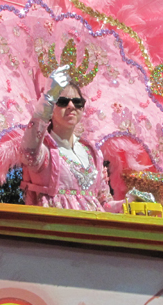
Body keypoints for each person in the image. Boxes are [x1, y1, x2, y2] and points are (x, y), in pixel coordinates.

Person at [20, 65, 124, 211]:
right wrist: (47, 99)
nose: (71, 106)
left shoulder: (93, 154)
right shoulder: (44, 150)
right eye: (62, 102)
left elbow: (103, 203)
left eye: (77, 102)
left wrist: (126, 205)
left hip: (92, 230)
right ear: (51, 107)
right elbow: (28, 151)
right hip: (55, 228)